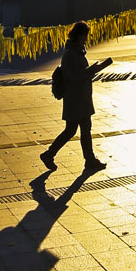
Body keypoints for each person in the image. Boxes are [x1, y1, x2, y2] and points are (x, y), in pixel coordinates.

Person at [40, 21, 106, 174]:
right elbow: (72, 77)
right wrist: (90, 71)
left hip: (81, 98)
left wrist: (91, 71)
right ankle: (51, 154)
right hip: (75, 99)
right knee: (73, 130)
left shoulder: (78, 51)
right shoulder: (70, 54)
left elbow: (80, 74)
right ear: (77, 35)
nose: (86, 39)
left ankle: (87, 159)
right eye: (84, 36)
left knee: (80, 129)